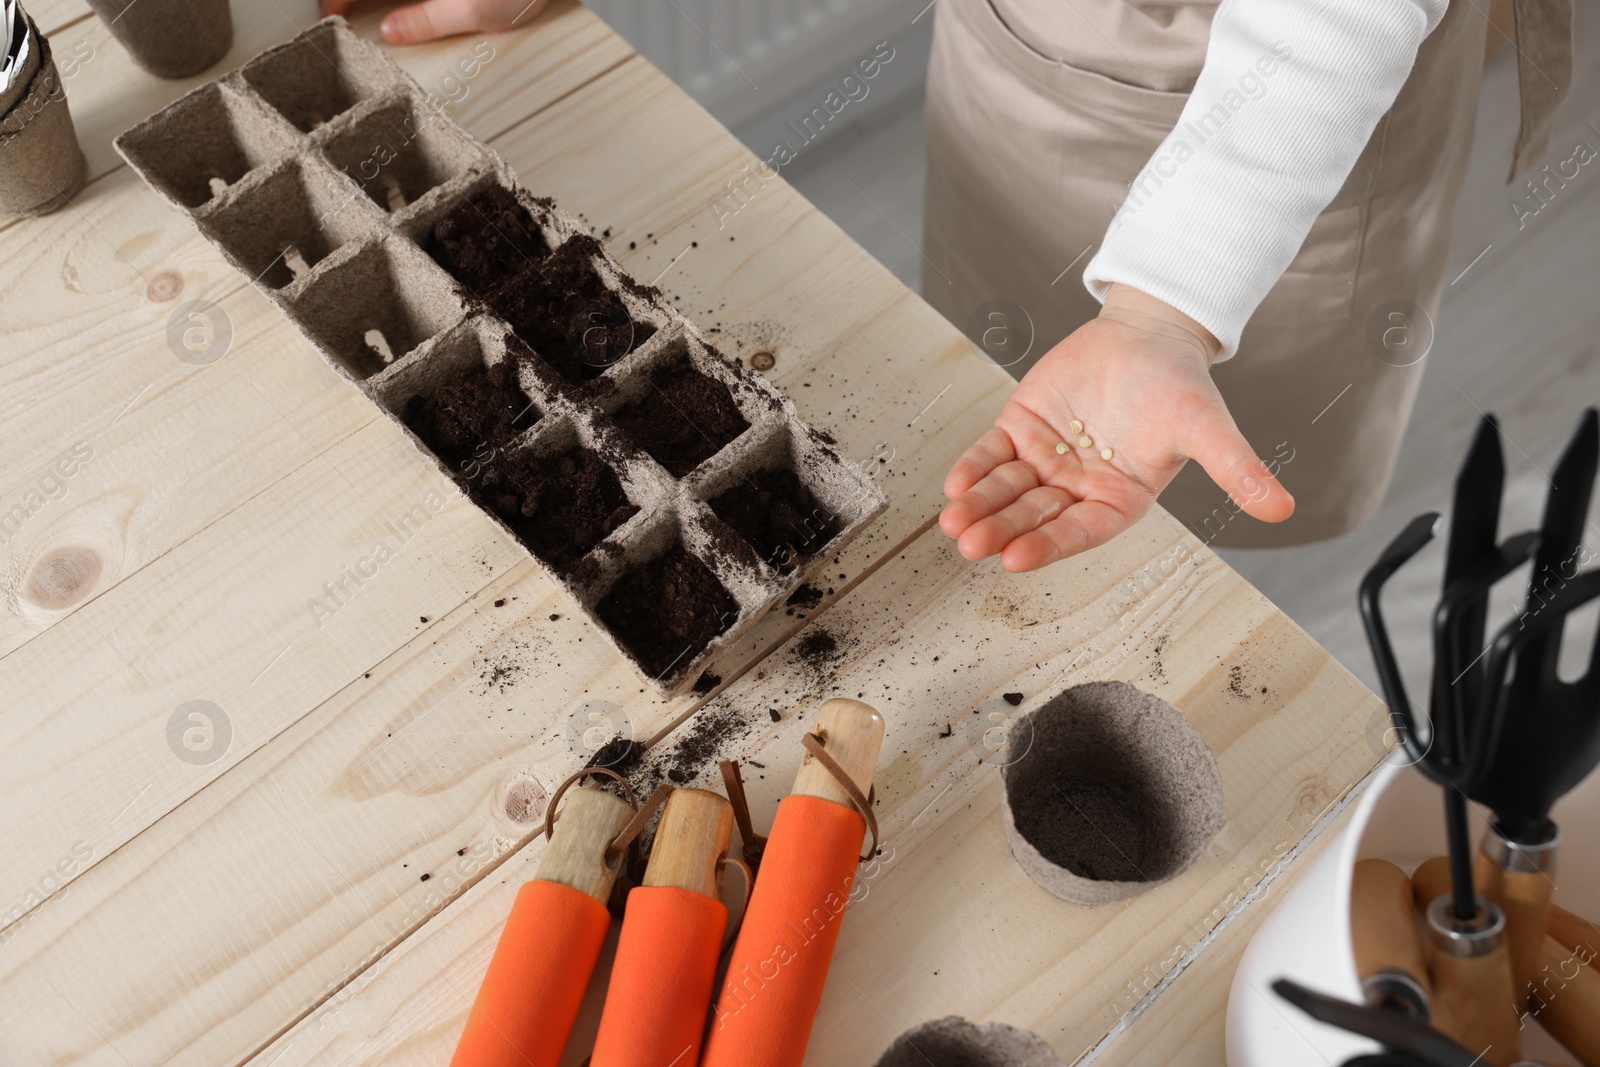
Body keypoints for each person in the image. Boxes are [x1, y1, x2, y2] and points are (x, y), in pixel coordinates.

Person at [328, 0, 1571, 570]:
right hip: (1034, 60)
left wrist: (1160, 309)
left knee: (1200, 472)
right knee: (1000, 329)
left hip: (1267, 142)